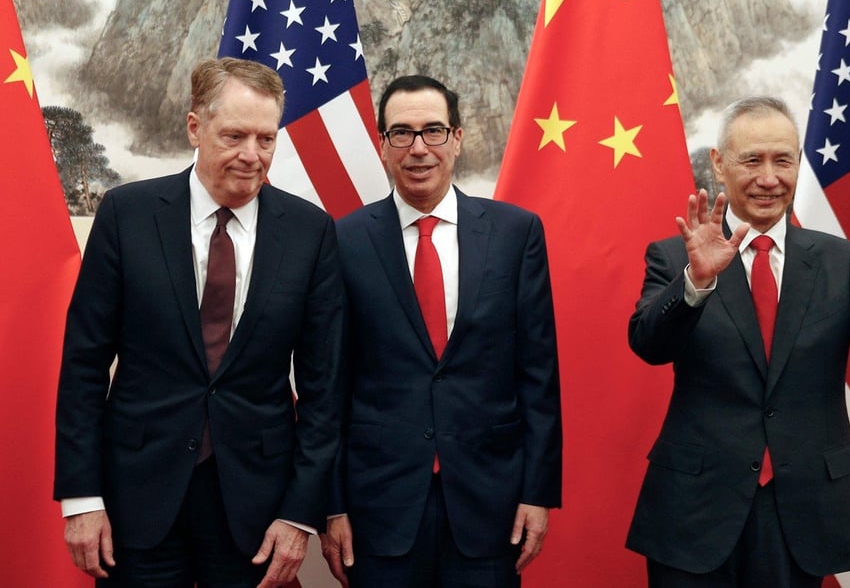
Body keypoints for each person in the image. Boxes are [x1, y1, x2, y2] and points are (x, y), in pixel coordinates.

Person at [625, 96, 850, 587]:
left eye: (783, 160)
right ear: (719, 165)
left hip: (800, 511)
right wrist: (694, 284)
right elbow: (649, 344)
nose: (769, 177)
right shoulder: (675, 255)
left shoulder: (839, 260)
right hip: (694, 510)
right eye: (752, 160)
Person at [54, 57, 343, 587]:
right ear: (195, 127)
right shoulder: (126, 215)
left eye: (265, 138)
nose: (252, 156)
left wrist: (300, 512)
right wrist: (82, 497)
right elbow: (83, 366)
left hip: (256, 511)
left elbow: (325, 389)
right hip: (135, 503)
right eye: (234, 136)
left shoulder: (311, 232)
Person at [320, 75, 562, 587]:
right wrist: (332, 504)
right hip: (378, 509)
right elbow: (329, 385)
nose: (419, 149)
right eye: (401, 134)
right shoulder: (343, 241)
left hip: (489, 505)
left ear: (457, 137)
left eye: (433, 131)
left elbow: (538, 376)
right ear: (382, 145)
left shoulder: (516, 234)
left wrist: (537, 493)